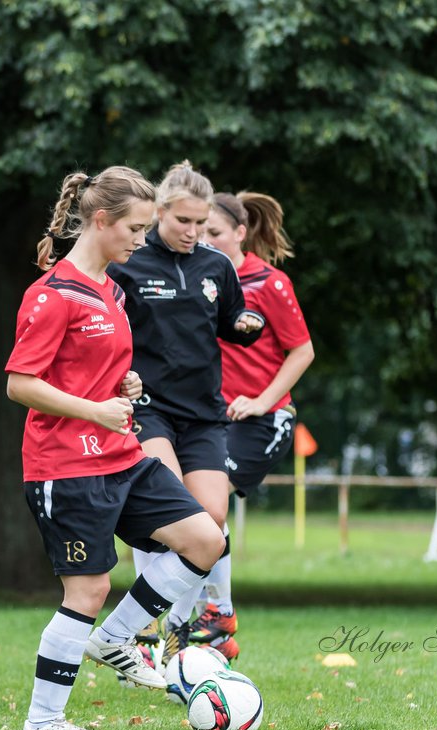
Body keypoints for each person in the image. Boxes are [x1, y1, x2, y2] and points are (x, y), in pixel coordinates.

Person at [8, 165, 227, 730]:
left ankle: (115, 636)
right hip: (65, 465)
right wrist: (95, 409)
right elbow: (20, 383)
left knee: (205, 538)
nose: (140, 238)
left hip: (121, 455)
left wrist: (121, 385)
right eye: (133, 228)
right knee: (89, 588)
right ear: (100, 221)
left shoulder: (110, 288)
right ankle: (44, 720)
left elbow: (89, 369)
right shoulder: (52, 294)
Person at [105, 161, 264, 666]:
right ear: (159, 213)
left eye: (201, 223)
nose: (193, 233)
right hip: (149, 410)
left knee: (213, 527)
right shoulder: (127, 265)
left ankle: (178, 630)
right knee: (173, 514)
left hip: (203, 416)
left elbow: (230, 322)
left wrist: (247, 323)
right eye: (183, 222)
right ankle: (142, 634)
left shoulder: (216, 265)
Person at [182, 191, 315, 659]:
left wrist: (261, 400)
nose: (206, 242)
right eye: (200, 233)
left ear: (241, 233)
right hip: (212, 419)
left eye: (215, 233)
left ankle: (213, 614)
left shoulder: (270, 283)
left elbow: (303, 350)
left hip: (264, 419)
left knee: (199, 506)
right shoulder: (195, 279)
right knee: (176, 507)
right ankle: (205, 629)